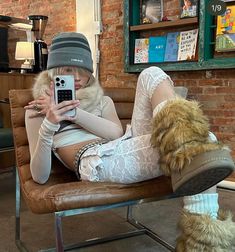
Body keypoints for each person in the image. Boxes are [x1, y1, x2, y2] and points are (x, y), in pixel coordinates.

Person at [25, 32, 235, 251]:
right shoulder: (37, 111)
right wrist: (49, 125)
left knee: (151, 73)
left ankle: (203, 242)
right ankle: (206, 245)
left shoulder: (102, 101)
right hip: (96, 161)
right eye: (67, 70)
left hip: (124, 143)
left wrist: (76, 114)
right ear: (53, 74)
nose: (77, 76)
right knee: (205, 141)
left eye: (83, 69)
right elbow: (39, 177)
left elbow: (116, 134)